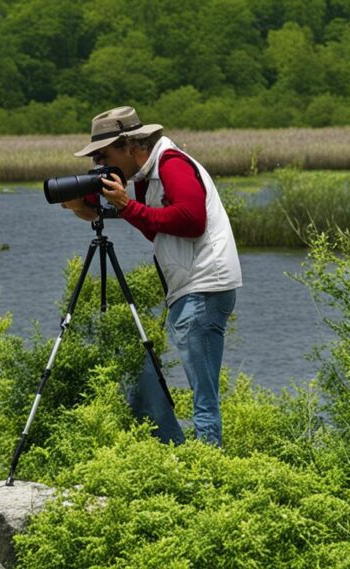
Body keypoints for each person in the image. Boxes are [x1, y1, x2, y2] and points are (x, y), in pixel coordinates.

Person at [61, 106, 242, 446]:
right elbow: (157, 226)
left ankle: (210, 471)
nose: (101, 164)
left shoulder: (172, 165)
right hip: (192, 288)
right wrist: (89, 204)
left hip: (203, 287)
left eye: (103, 155)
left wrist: (127, 206)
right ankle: (178, 450)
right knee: (161, 376)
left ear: (130, 146)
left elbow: (191, 221)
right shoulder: (149, 176)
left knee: (203, 397)